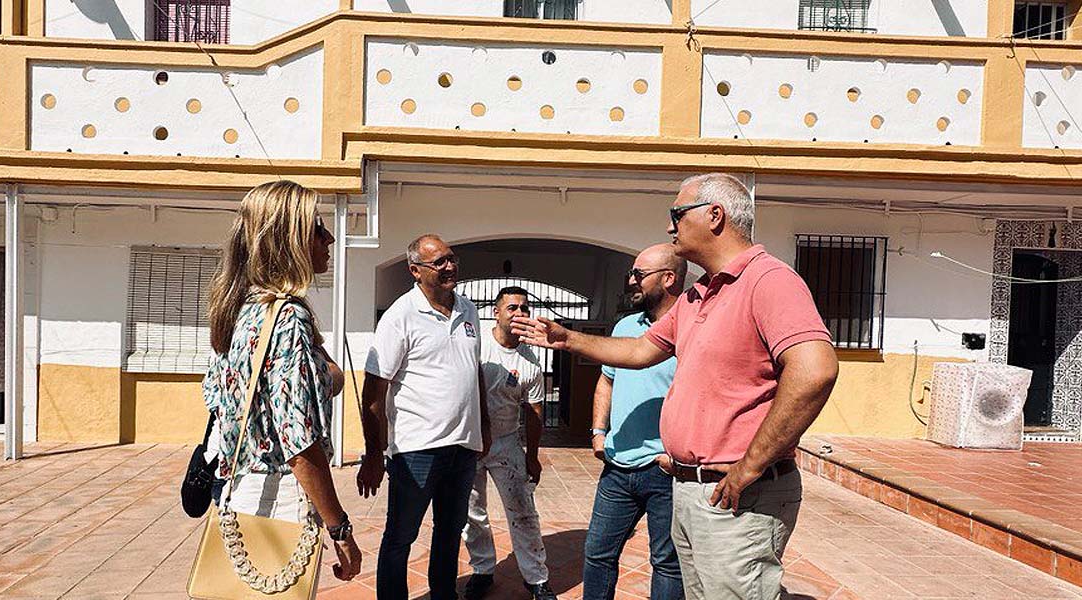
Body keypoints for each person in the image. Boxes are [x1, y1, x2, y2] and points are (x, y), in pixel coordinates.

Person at [513, 173, 839, 600]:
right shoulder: (699, 294)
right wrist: (568, 339)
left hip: (737, 494)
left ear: (715, 215)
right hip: (689, 487)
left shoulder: (769, 281)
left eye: (677, 214)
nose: (670, 226)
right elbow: (640, 351)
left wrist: (751, 464)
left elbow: (815, 371)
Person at [202, 180, 362, 585]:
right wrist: (340, 528)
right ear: (287, 240)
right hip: (283, 497)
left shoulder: (237, 308)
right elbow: (298, 441)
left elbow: (217, 398)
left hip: (240, 488)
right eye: (316, 229)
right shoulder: (287, 318)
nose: (327, 238)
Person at [358, 234, 492, 600]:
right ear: (415, 271)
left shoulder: (468, 310)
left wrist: (484, 425)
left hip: (463, 447)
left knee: (450, 533)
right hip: (417, 450)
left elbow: (473, 371)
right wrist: (374, 453)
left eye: (452, 259)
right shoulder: (401, 315)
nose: (450, 267)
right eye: (440, 263)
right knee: (401, 536)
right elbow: (374, 389)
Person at [584, 244, 685, 600]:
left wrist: (679, 454)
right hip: (618, 466)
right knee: (597, 554)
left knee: (668, 564)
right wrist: (599, 432)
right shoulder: (626, 325)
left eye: (639, 275)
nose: (631, 281)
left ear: (669, 278)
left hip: (666, 471)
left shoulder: (692, 329)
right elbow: (607, 379)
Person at [463, 286, 557, 600]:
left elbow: (534, 413)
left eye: (524, 308)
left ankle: (536, 579)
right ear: (497, 312)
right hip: (470, 443)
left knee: (523, 512)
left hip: (506, 444)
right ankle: (483, 570)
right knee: (471, 513)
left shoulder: (530, 360)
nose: (519, 314)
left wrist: (533, 457)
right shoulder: (476, 344)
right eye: (512, 308)